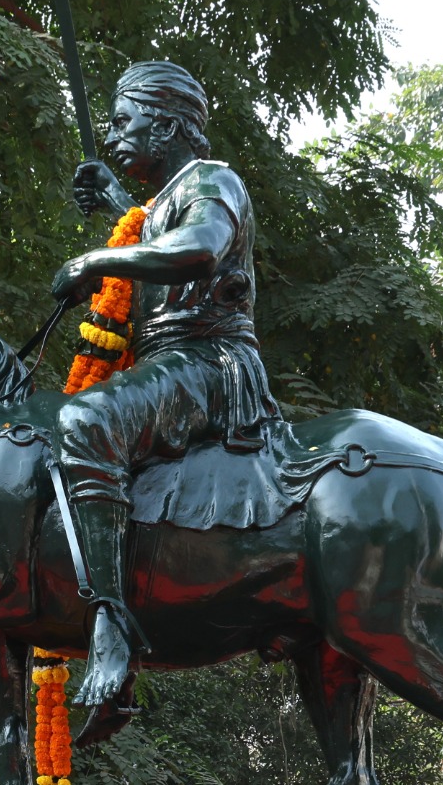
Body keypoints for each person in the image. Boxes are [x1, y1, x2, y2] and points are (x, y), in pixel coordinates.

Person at [50, 60, 282, 708]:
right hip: (172, 365)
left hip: (208, 364)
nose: (113, 136)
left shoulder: (215, 180)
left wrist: (95, 260)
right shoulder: (172, 197)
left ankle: (111, 628)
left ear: (168, 124)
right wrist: (118, 207)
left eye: (124, 121)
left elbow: (199, 248)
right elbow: (163, 234)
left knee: (83, 421)